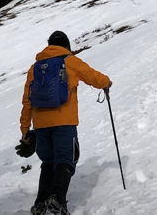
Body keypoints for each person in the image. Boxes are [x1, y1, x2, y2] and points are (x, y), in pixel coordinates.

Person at [19, 31, 112, 215]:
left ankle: (41, 203)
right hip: (64, 121)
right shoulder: (70, 61)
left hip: (40, 125)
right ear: (66, 45)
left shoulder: (35, 67)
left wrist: (25, 130)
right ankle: (58, 200)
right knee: (66, 159)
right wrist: (106, 83)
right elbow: (92, 76)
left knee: (48, 162)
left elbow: (27, 100)